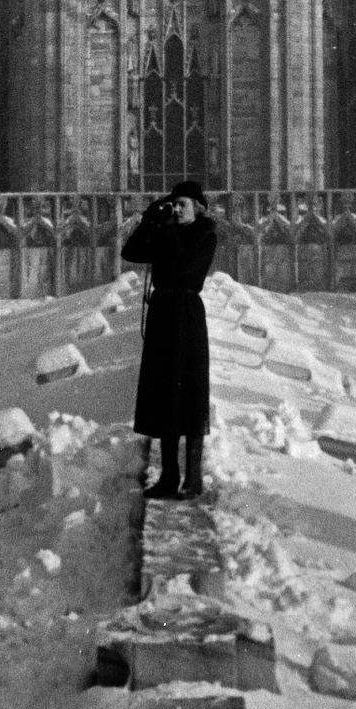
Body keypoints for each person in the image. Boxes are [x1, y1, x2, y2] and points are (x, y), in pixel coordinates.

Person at [121, 178, 217, 499]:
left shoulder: (205, 234)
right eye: (174, 204)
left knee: (189, 392)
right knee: (165, 396)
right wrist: (149, 221)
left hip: (187, 314)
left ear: (197, 208)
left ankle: (193, 477)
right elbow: (130, 252)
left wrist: (167, 232)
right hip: (163, 314)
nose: (176, 209)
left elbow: (186, 271)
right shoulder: (165, 230)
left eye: (182, 205)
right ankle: (168, 476)